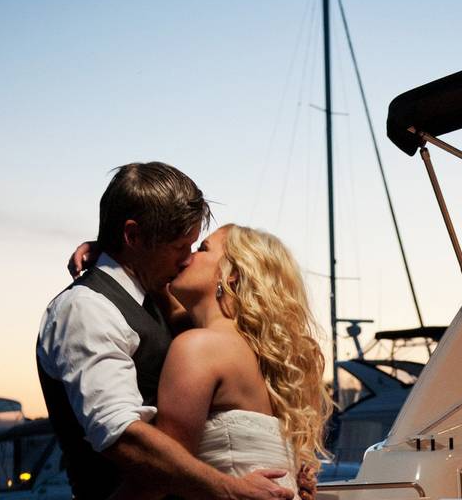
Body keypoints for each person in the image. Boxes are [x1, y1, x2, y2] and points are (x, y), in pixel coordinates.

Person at [37, 162, 298, 500]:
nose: (187, 258)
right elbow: (122, 435)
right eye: (180, 247)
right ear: (133, 236)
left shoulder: (159, 304)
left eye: (196, 247)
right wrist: (230, 489)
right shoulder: (87, 307)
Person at [111, 224, 331, 499]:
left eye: (202, 249)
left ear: (232, 274)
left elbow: (159, 474)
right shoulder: (282, 363)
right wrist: (117, 257)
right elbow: (166, 298)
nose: (187, 257)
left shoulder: (199, 348)